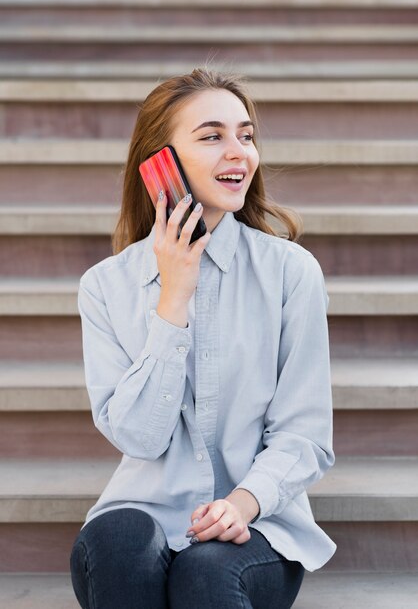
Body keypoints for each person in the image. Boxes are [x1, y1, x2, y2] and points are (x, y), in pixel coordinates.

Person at [70, 67, 336, 609]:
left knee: (205, 575)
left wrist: (243, 502)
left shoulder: (290, 273)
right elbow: (140, 438)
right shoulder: (104, 286)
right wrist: (173, 301)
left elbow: (305, 434)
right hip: (140, 517)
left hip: (255, 527)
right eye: (212, 136)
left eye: (246, 134)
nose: (238, 151)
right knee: (118, 542)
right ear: (158, 163)